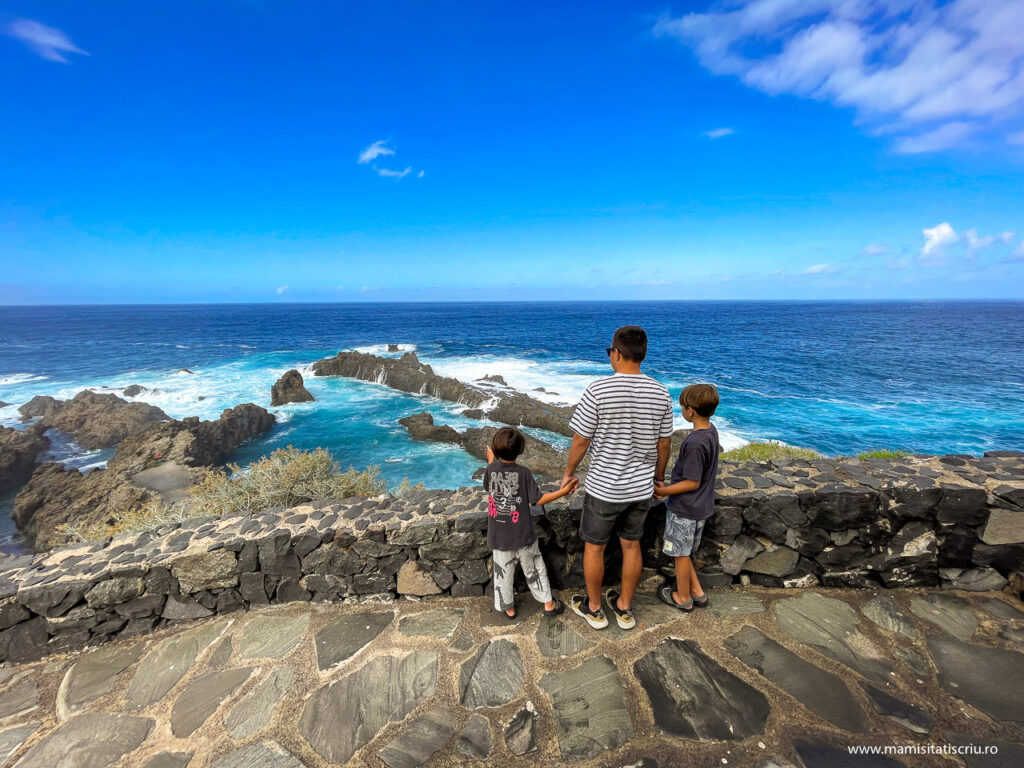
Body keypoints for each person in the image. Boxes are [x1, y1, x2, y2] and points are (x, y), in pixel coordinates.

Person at [563, 326, 674, 630]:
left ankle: (595, 608)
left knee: (595, 548)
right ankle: (624, 607)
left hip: (605, 488)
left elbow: (581, 440)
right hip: (640, 489)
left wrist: (568, 473)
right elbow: (664, 443)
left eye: (609, 351)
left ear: (616, 352)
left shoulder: (598, 390)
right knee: (631, 546)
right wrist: (659, 478)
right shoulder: (661, 392)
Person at [484, 426, 577, 619]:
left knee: (503, 575)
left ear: (495, 448)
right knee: (535, 568)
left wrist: (490, 461)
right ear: (520, 450)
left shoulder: (491, 469)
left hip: (500, 537)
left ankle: (508, 609)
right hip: (523, 534)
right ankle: (548, 604)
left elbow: (487, 486)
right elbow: (538, 500)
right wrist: (563, 492)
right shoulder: (524, 473)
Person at [654, 383, 720, 611]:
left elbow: (692, 481)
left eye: (682, 406)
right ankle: (697, 592)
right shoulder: (711, 432)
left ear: (690, 410)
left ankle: (683, 598)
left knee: (680, 555)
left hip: (685, 509)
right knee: (686, 552)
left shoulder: (694, 442)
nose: (681, 409)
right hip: (701, 506)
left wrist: (663, 491)